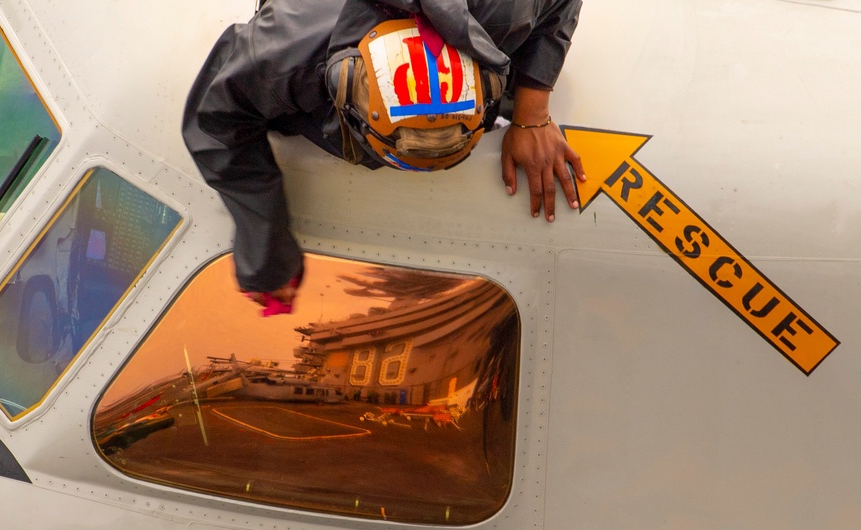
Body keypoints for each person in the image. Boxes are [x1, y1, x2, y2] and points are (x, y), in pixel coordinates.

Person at [182, 0, 585, 313]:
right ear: (338, 85)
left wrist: (533, 112)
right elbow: (214, 115)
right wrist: (265, 250)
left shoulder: (503, 12)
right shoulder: (289, 45)